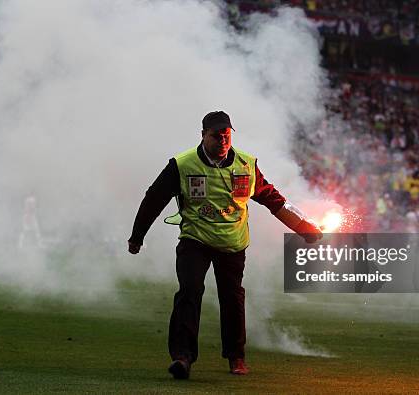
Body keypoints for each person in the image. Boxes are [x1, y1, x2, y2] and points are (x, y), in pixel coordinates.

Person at [128, 111, 322, 379]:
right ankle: (182, 357)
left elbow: (274, 200)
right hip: (194, 240)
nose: (222, 141)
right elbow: (154, 198)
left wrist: (303, 227)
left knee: (232, 298)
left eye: (227, 135)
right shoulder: (182, 165)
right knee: (189, 291)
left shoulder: (246, 164)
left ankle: (236, 357)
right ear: (203, 136)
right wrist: (137, 236)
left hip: (232, 243)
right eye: (216, 136)